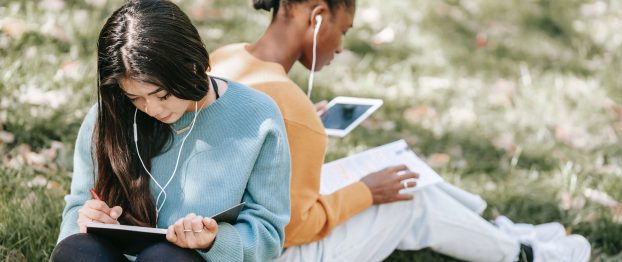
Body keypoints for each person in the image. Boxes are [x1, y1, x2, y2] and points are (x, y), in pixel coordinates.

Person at [208, 0, 592, 261]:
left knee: (400, 166)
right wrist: (367, 193)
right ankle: (523, 254)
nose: (340, 47)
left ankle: (499, 232)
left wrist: (302, 125)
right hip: (269, 250)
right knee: (408, 197)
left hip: (227, 227)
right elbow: (293, 228)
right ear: (318, 16)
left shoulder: (226, 56)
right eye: (343, 31)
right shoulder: (292, 108)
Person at [51, 1, 291, 261]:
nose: (151, 108)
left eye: (162, 94)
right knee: (75, 250)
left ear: (191, 65)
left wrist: (214, 241)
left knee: (163, 257)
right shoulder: (107, 116)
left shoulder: (258, 117)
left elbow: (268, 233)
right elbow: (77, 206)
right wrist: (85, 219)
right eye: (135, 98)